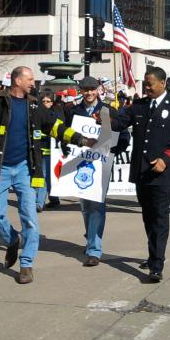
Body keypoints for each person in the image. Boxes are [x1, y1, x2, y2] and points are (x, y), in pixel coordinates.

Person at [0, 66, 91, 284]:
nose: (33, 83)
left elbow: (56, 127)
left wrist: (81, 140)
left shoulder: (35, 105)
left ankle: (26, 264)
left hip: (26, 168)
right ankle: (13, 240)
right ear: (17, 81)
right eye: (30, 79)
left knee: (29, 218)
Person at [111, 66, 170, 283]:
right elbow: (118, 123)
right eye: (145, 84)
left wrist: (167, 158)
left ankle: (157, 264)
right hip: (142, 172)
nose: (146, 87)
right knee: (147, 217)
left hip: (162, 175)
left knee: (160, 218)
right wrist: (104, 116)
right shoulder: (139, 106)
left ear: (162, 83)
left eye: (150, 84)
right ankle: (153, 252)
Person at [62, 76, 129, 266]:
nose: (89, 93)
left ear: (98, 90)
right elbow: (64, 133)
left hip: (101, 165)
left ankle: (94, 250)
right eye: (85, 89)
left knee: (97, 205)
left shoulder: (109, 111)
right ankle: (91, 236)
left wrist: (114, 148)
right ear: (80, 90)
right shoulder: (72, 111)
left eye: (92, 89)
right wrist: (64, 146)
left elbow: (123, 135)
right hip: (79, 163)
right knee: (85, 206)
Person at [35, 92, 63, 211]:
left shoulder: (57, 114)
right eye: (44, 101)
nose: (46, 103)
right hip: (40, 151)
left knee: (51, 177)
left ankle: (54, 199)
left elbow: (60, 130)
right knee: (43, 176)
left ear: (52, 102)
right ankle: (39, 203)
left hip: (53, 152)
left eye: (48, 101)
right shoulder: (36, 114)